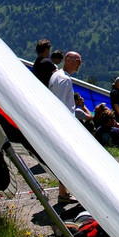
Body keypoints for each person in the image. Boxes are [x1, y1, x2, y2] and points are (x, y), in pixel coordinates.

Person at [49, 51, 83, 205]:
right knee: (66, 159)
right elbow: (60, 104)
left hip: (59, 123)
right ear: (68, 60)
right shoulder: (64, 79)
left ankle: (63, 192)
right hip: (63, 125)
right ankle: (63, 193)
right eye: (77, 61)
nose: (79, 64)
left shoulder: (57, 75)